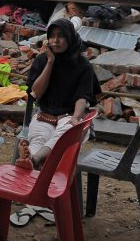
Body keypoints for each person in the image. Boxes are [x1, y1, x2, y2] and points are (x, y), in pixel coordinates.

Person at [16, 18, 101, 170]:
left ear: (70, 37)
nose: (55, 40)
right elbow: (36, 92)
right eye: (52, 36)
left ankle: (35, 159)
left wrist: (76, 117)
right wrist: (50, 62)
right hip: (45, 114)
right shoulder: (43, 61)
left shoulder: (83, 66)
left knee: (66, 134)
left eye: (61, 36)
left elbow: (83, 96)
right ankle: (29, 158)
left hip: (70, 116)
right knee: (39, 139)